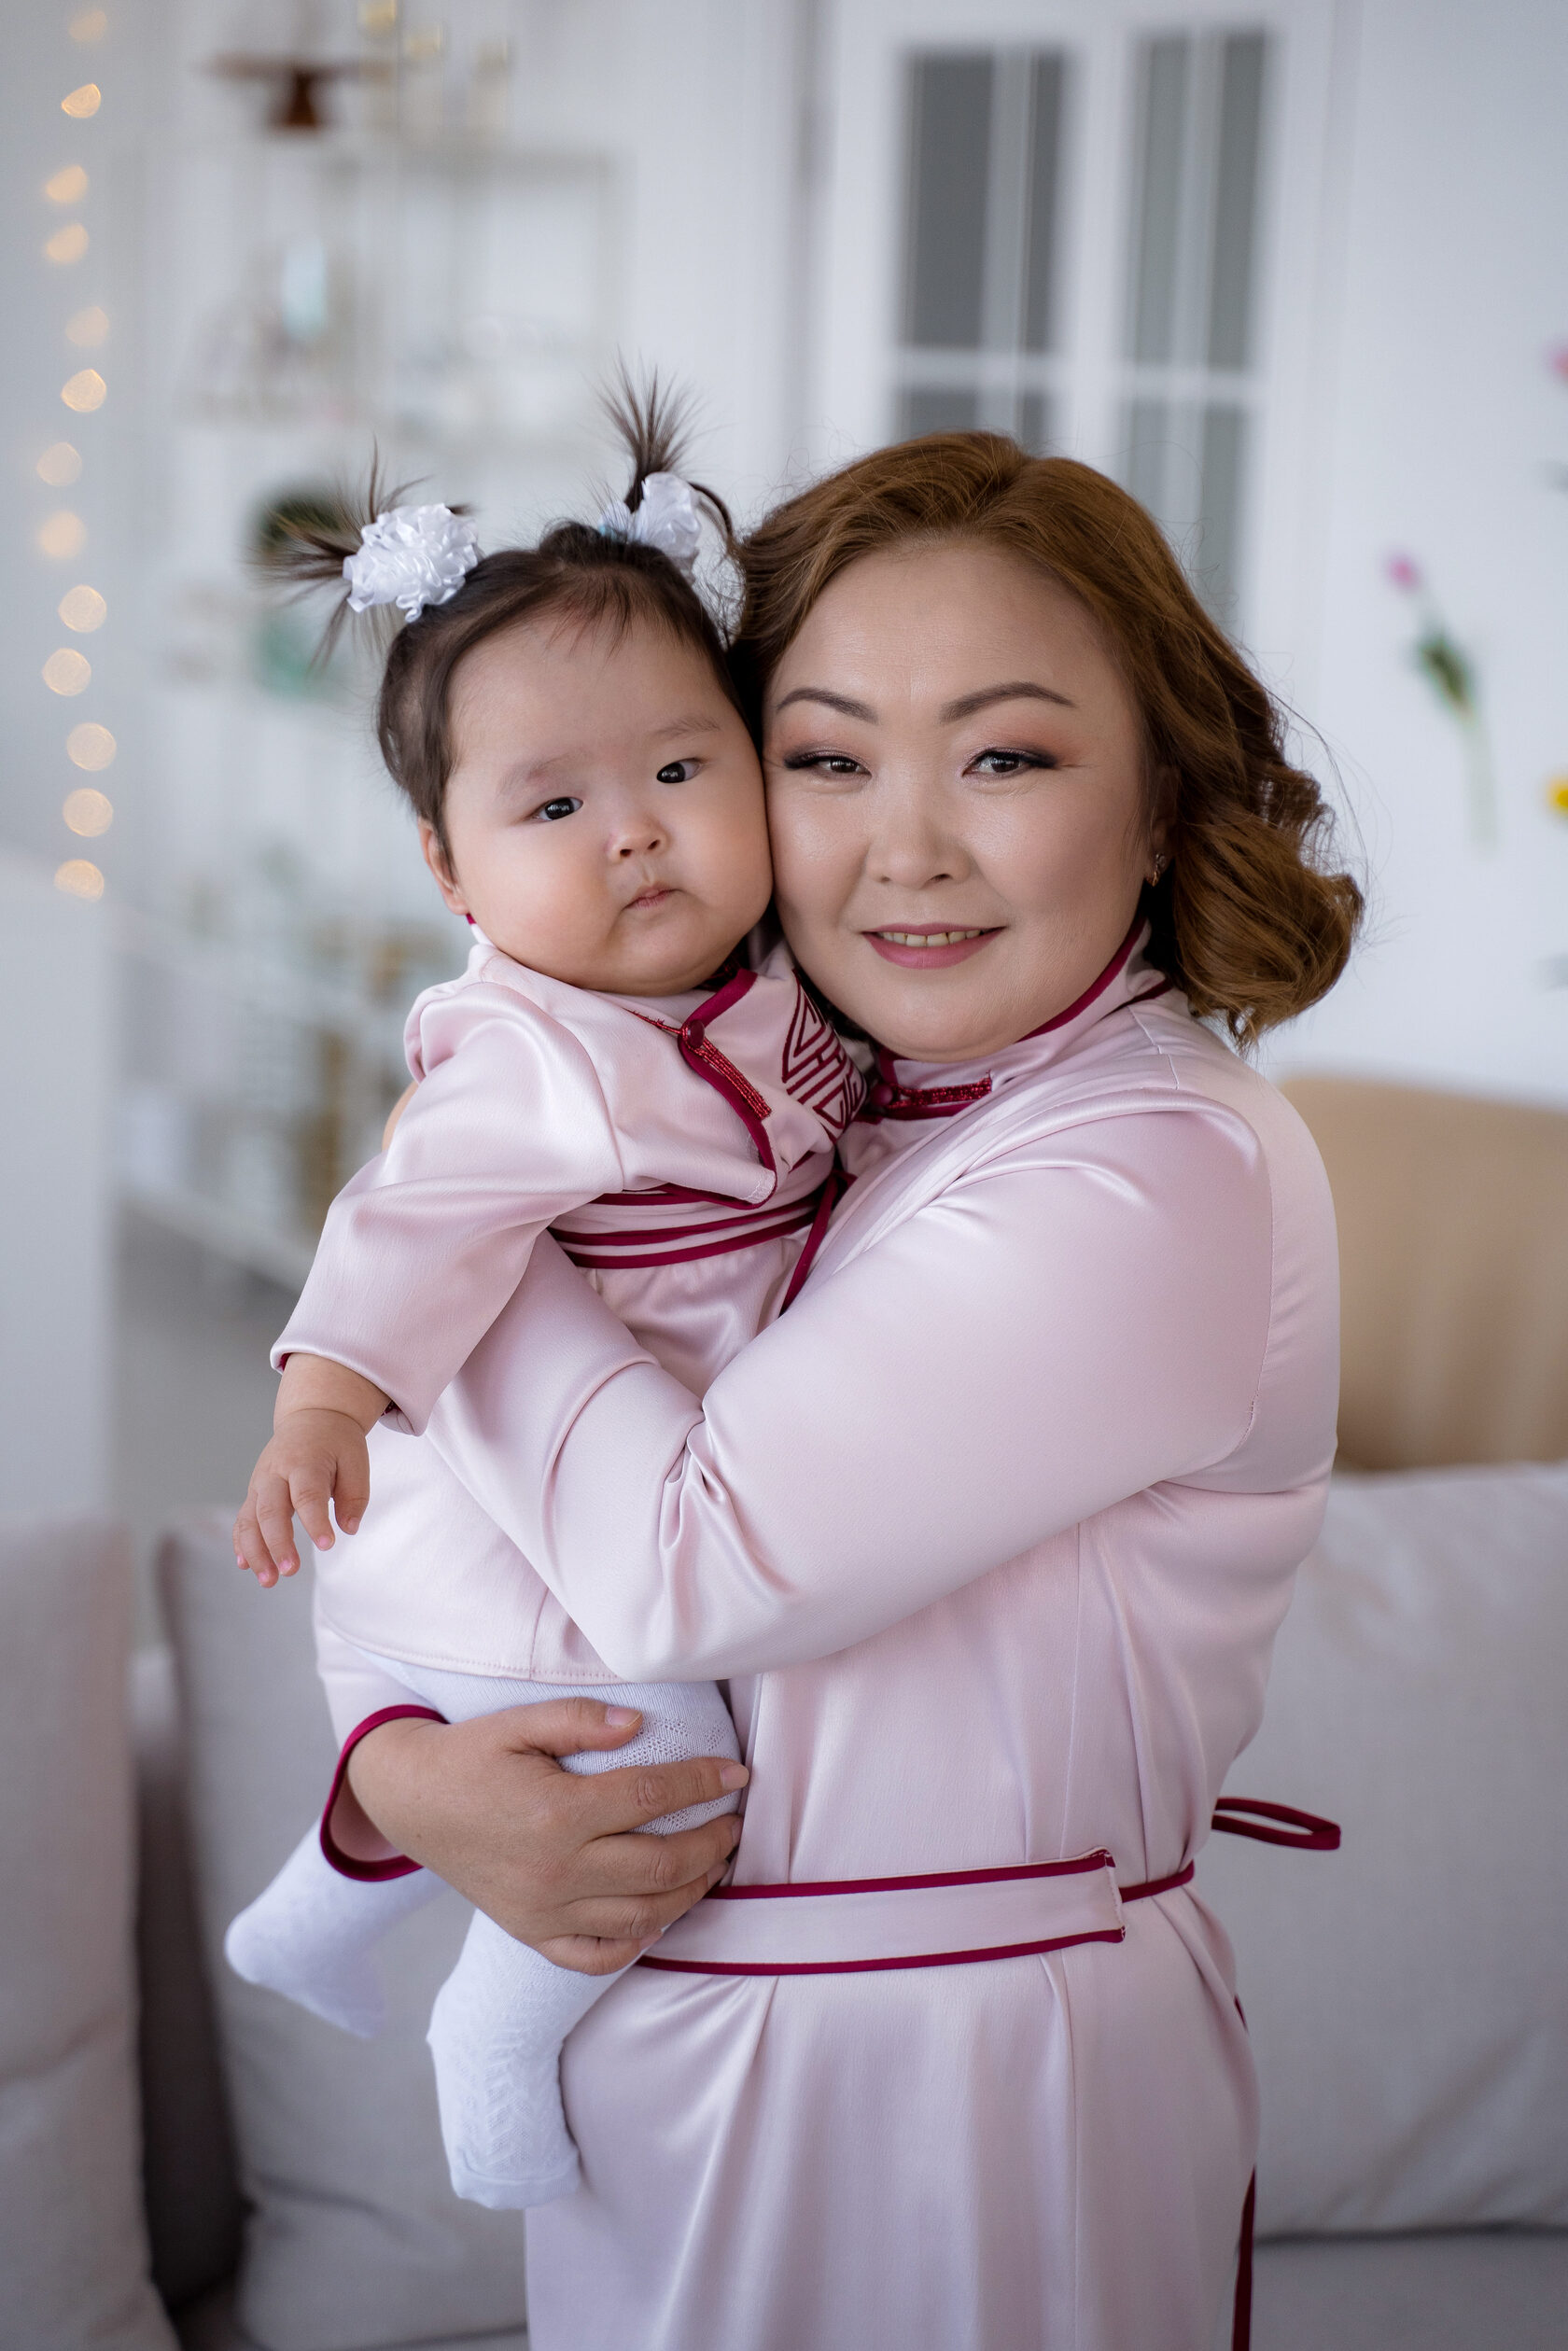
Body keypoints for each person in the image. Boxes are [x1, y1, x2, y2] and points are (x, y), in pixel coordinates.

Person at [334, 433, 1363, 2351]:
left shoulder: (1161, 1168)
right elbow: (493, 1549)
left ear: (1157, 804)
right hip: (670, 2074)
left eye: (1007, 757)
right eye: (824, 759)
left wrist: (448, 1219)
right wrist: (406, 1774)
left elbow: (680, 1560)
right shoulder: (800, 1130)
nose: (908, 848)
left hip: (969, 2094)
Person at [225, 387, 861, 2212]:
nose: (634, 836)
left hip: (599, 1506)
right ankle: (492, 2038)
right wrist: (324, 1401)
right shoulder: (529, 1052)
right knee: (672, 1783)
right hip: (526, 1557)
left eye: (680, 771)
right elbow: (403, 1223)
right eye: (555, 805)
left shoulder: (759, 988)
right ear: (451, 871)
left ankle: (312, 1918)